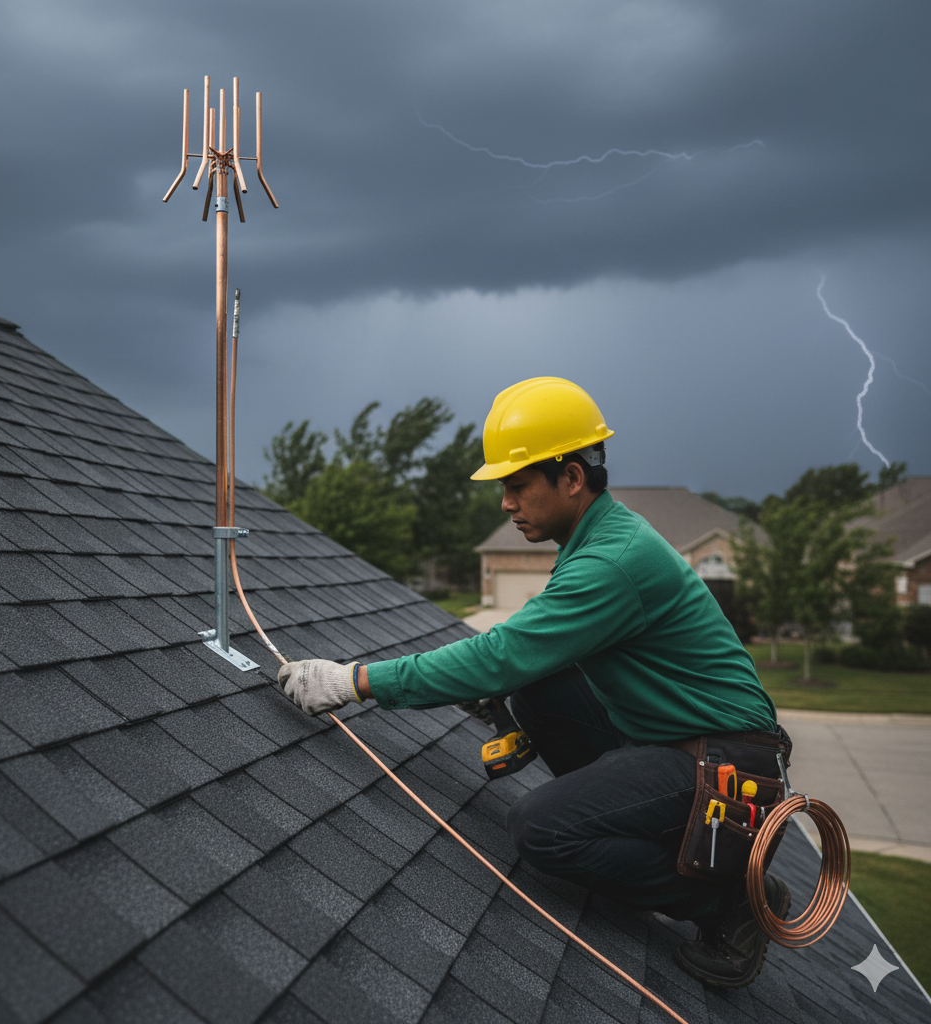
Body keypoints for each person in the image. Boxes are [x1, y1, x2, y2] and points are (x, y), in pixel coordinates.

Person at [278, 376, 792, 989]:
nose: (505, 502)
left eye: (517, 485)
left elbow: (503, 652)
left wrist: (355, 681)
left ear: (571, 478)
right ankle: (637, 828)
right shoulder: (596, 537)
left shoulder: (611, 562)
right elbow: (531, 658)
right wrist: (497, 691)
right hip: (675, 737)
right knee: (533, 689)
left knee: (540, 829)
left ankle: (733, 900)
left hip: (725, 769)